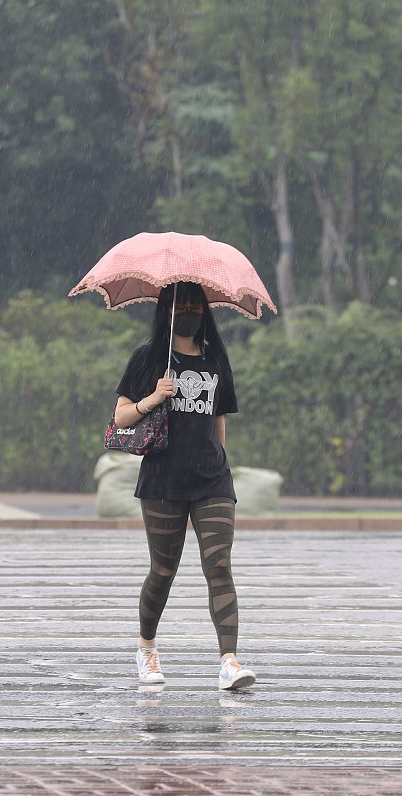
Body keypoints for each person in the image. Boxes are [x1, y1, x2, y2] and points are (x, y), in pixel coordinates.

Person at [114, 281, 256, 690]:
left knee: (220, 566)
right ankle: (146, 649)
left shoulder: (215, 360)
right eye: (184, 305)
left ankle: (229, 660)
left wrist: (219, 462)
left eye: (197, 305)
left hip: (212, 480)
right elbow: (121, 417)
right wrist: (153, 398)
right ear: (168, 310)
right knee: (163, 570)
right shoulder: (149, 358)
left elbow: (219, 420)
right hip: (162, 480)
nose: (191, 312)